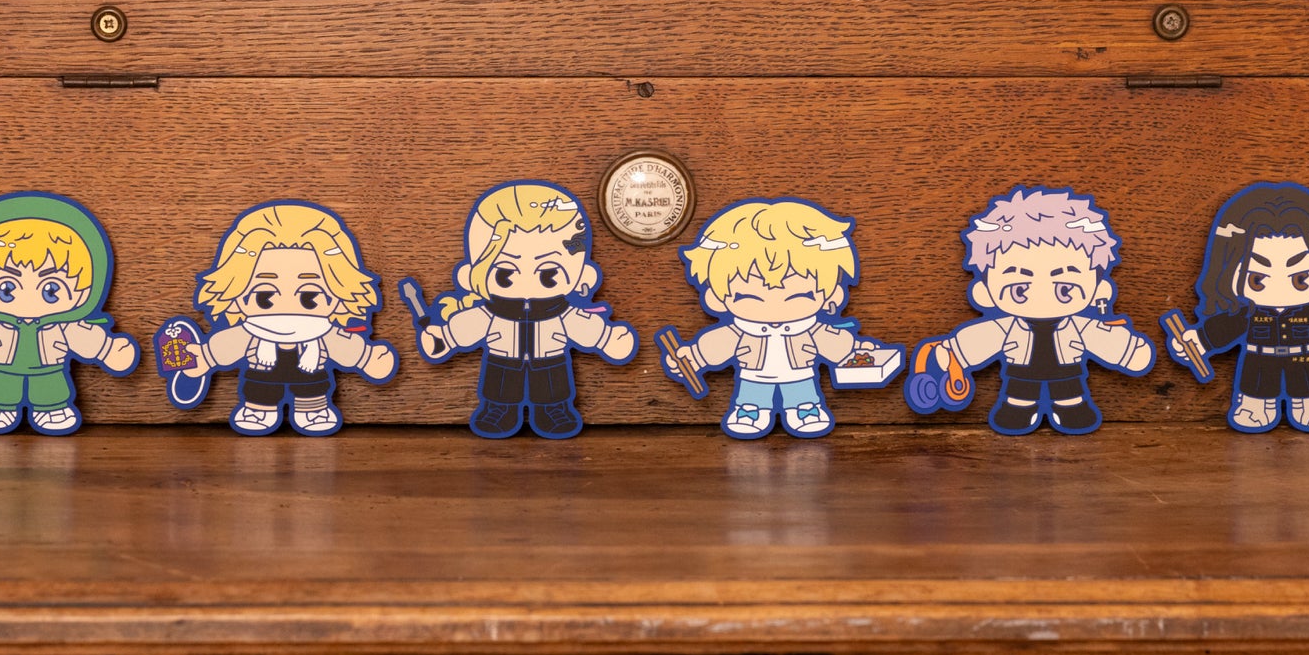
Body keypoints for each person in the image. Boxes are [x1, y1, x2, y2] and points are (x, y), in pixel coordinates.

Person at [904, 186, 1154, 435]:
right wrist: (952, 353)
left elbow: (1104, 340)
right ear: (984, 292)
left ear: (1100, 289)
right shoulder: (1006, 327)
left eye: (1065, 288)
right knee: (1018, 400)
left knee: (1070, 399)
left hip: (1068, 376)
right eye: (1019, 289)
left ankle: (1071, 408)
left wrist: (1130, 352)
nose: (1042, 297)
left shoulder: (1081, 326)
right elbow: (980, 340)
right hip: (1020, 377)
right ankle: (1019, 409)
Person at [660, 198, 901, 440]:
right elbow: (717, 345)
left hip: (800, 376)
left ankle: (805, 411)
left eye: (799, 295)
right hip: (753, 378)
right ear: (715, 298)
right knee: (752, 398)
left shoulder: (811, 329)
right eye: (750, 296)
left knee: (802, 395)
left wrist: (855, 350)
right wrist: (693, 358)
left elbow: (833, 344)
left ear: (832, 295)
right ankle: (750, 412)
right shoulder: (738, 332)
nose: (774, 303)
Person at [411, 181, 637, 439]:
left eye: (549, 273)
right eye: (505, 273)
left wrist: (607, 338)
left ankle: (553, 410)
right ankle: (498, 410)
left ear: (582, 275)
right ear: (471, 274)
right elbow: (467, 327)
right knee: (500, 388)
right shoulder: (489, 313)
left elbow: (584, 327)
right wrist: (444, 338)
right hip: (502, 361)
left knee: (552, 389)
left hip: (550, 361)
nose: (527, 282)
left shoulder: (563, 314)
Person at [171, 201, 396, 435]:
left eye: (309, 297)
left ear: (340, 295)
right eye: (264, 296)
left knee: (312, 390)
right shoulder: (248, 333)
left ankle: (313, 411)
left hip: (312, 383)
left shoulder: (325, 334)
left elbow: (346, 348)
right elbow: (226, 345)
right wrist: (205, 358)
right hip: (261, 382)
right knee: (260, 391)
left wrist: (367, 359)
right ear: (235, 294)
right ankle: (258, 410)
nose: (287, 310)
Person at [0, 191, 138, 434]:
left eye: (51, 290)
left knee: (52, 389)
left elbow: (84, 339)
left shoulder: (63, 327)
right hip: (2, 371)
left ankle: (52, 408)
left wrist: (108, 350)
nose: (27, 300)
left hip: (50, 372)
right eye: (7, 289)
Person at [1166, 181, 1309, 432]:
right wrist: (1197, 342)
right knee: (1256, 388)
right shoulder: (1245, 314)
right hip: (1258, 361)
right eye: (1257, 279)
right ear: (1226, 272)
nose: (1279, 290)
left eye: (1300, 278)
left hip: (1305, 361)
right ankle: (1254, 407)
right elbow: (1220, 330)